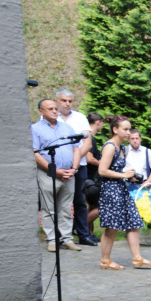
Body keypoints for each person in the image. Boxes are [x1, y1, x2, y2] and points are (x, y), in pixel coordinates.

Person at [96, 115, 151, 270]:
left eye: (129, 129)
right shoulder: (110, 146)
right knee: (112, 226)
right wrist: (123, 175)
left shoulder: (121, 147)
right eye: (125, 129)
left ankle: (137, 258)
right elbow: (102, 170)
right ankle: (105, 260)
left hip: (121, 188)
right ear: (115, 130)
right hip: (110, 190)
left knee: (134, 221)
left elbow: (116, 169)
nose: (129, 133)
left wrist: (131, 177)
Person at [32, 98, 81, 252]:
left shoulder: (67, 128)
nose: (54, 111)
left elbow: (76, 149)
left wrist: (74, 168)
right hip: (48, 174)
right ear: (41, 111)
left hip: (69, 174)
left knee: (66, 208)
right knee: (49, 208)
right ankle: (52, 239)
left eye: (55, 108)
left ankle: (66, 239)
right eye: (50, 109)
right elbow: (35, 153)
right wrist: (54, 171)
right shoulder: (35, 129)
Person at [56, 89, 98, 246]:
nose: (67, 103)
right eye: (64, 100)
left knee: (80, 201)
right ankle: (60, 236)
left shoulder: (80, 117)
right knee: (58, 202)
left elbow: (87, 142)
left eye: (70, 101)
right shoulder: (52, 117)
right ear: (57, 101)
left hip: (79, 166)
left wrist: (73, 161)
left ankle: (83, 234)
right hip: (59, 167)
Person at [83, 113, 104, 229]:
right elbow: (89, 158)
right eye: (102, 123)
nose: (102, 126)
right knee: (100, 207)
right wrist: (104, 164)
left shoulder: (89, 136)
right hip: (91, 179)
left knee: (92, 207)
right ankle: (79, 226)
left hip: (90, 179)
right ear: (98, 122)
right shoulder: (90, 137)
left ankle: (88, 233)